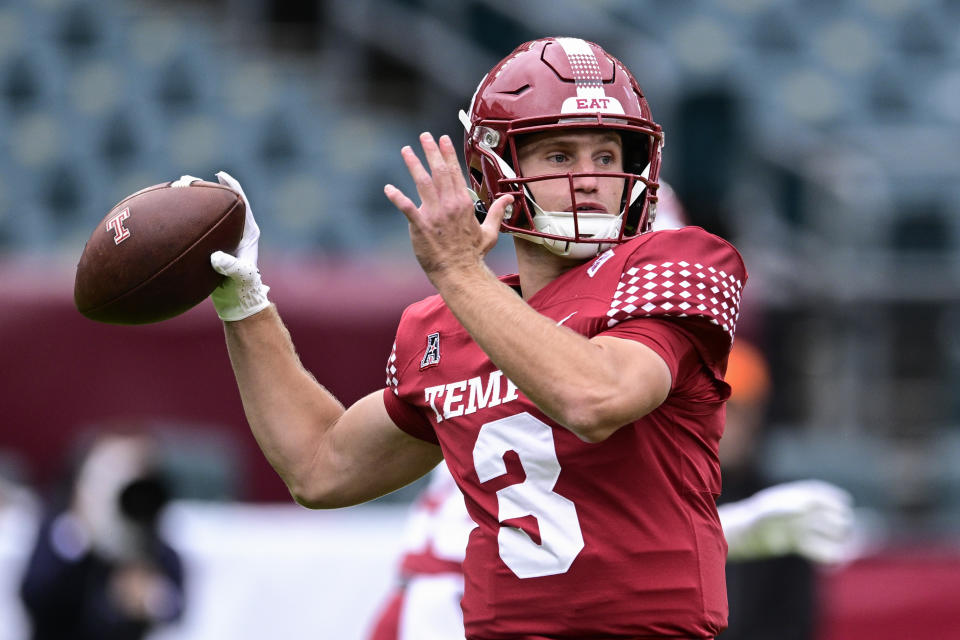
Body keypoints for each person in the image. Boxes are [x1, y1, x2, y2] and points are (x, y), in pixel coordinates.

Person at [205, 36, 747, 638]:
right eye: (560, 157)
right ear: (497, 171)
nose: (590, 178)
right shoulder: (444, 326)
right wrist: (245, 302)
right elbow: (319, 466)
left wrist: (460, 272)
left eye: (606, 153)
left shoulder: (679, 261)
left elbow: (597, 398)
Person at [18, 432, 185, 640]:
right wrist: (81, 534)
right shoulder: (59, 532)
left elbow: (175, 605)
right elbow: (34, 596)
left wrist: (151, 598)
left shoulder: (146, 541)